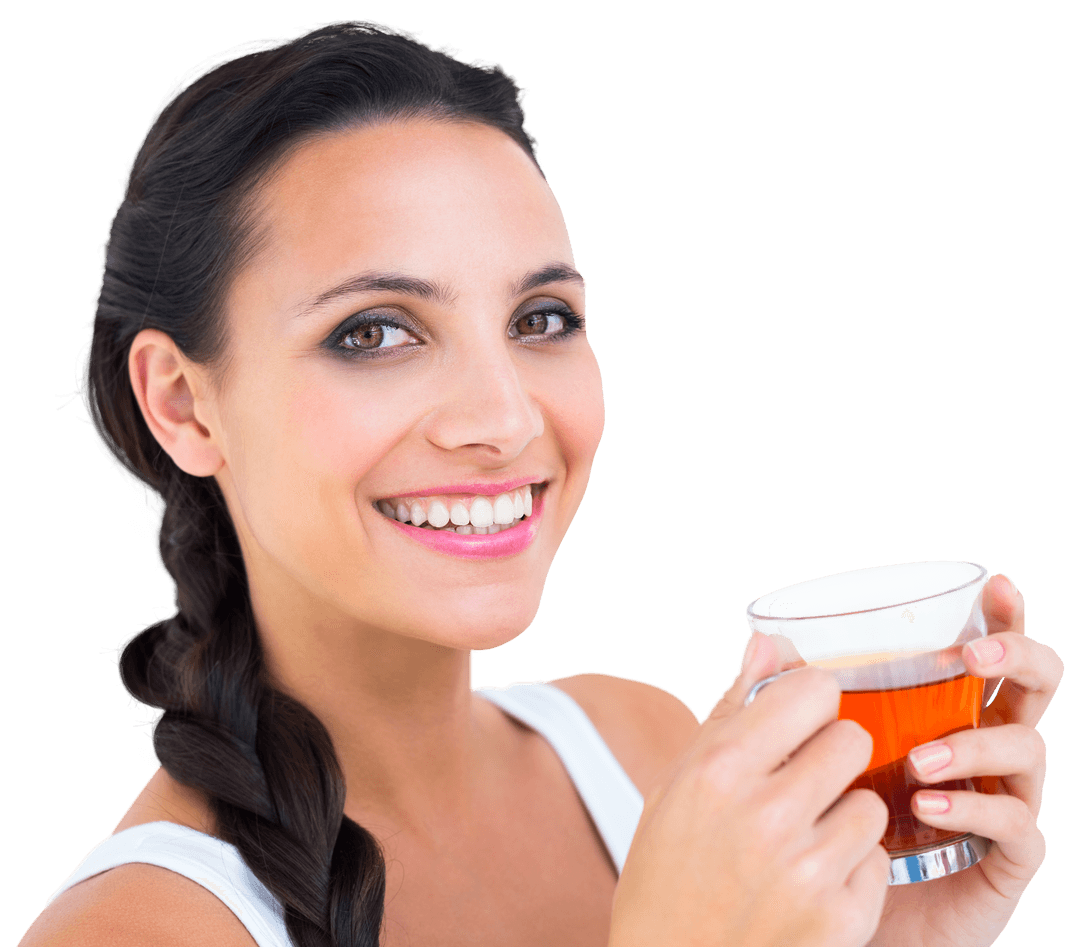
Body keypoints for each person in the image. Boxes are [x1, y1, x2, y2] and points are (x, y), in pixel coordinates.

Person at [19, 19, 1063, 947]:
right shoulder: (136, 930)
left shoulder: (644, 746)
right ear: (184, 404)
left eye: (541, 320)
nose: (508, 417)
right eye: (374, 331)